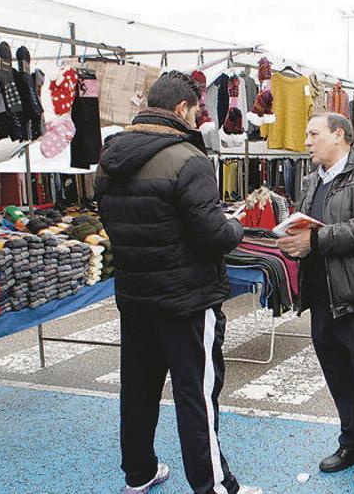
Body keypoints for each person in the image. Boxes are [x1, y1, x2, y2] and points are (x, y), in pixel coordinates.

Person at [96, 71, 244, 494]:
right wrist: (237, 228)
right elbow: (213, 234)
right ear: (181, 109)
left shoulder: (108, 159)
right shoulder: (187, 159)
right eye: (197, 110)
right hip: (186, 298)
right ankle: (213, 486)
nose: (200, 119)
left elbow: (112, 223)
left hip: (136, 295)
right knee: (196, 394)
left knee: (138, 388)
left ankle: (138, 473)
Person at [277, 113, 354, 487]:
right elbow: (309, 227)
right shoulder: (312, 181)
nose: (307, 141)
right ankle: (351, 443)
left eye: (314, 134)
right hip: (322, 296)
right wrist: (294, 242)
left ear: (339, 136)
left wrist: (313, 241)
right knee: (339, 377)